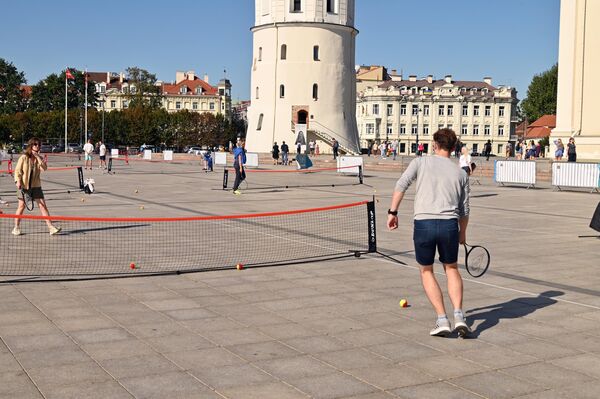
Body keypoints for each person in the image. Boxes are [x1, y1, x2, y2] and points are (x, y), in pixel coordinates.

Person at [387, 128, 470, 337]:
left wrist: (393, 212)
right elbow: (465, 209)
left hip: (424, 224)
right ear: (453, 148)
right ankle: (459, 315)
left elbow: (401, 184)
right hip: (450, 225)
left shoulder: (420, 162)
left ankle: (442, 319)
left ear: (435, 145)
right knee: (451, 268)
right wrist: (463, 233)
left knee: (426, 271)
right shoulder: (461, 173)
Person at [12, 137, 61, 236]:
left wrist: (38, 157)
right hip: (24, 186)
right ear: (31, 146)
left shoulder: (40, 158)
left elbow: (44, 168)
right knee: (21, 207)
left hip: (36, 186)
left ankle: (51, 227)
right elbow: (17, 171)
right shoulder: (24, 157)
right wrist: (17, 181)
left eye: (39, 144)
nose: (37, 146)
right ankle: (16, 228)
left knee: (43, 206)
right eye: (35, 144)